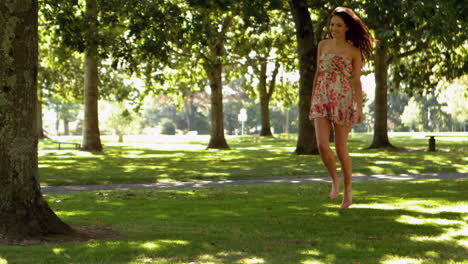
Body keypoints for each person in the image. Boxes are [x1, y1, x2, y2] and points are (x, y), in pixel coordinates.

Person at [309, 6, 375, 209]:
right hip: (321, 96)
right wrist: (313, 99)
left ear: (347, 28)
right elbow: (318, 74)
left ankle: (348, 189)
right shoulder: (323, 45)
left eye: (338, 25)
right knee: (321, 145)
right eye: (332, 25)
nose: (334, 28)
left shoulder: (354, 51)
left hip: (342, 99)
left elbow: (356, 81)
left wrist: (359, 108)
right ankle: (334, 180)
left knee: (340, 149)